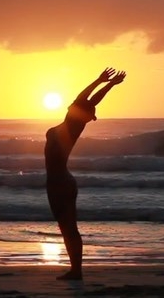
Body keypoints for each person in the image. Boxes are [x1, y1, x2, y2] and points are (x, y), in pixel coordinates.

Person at [44, 67, 125, 280]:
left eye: (77, 107)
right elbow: (84, 99)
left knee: (69, 227)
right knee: (66, 227)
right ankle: (75, 270)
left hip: (60, 182)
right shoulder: (68, 123)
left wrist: (103, 83)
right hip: (57, 182)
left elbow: (87, 99)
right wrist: (103, 82)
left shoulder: (73, 125)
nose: (73, 105)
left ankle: (77, 271)